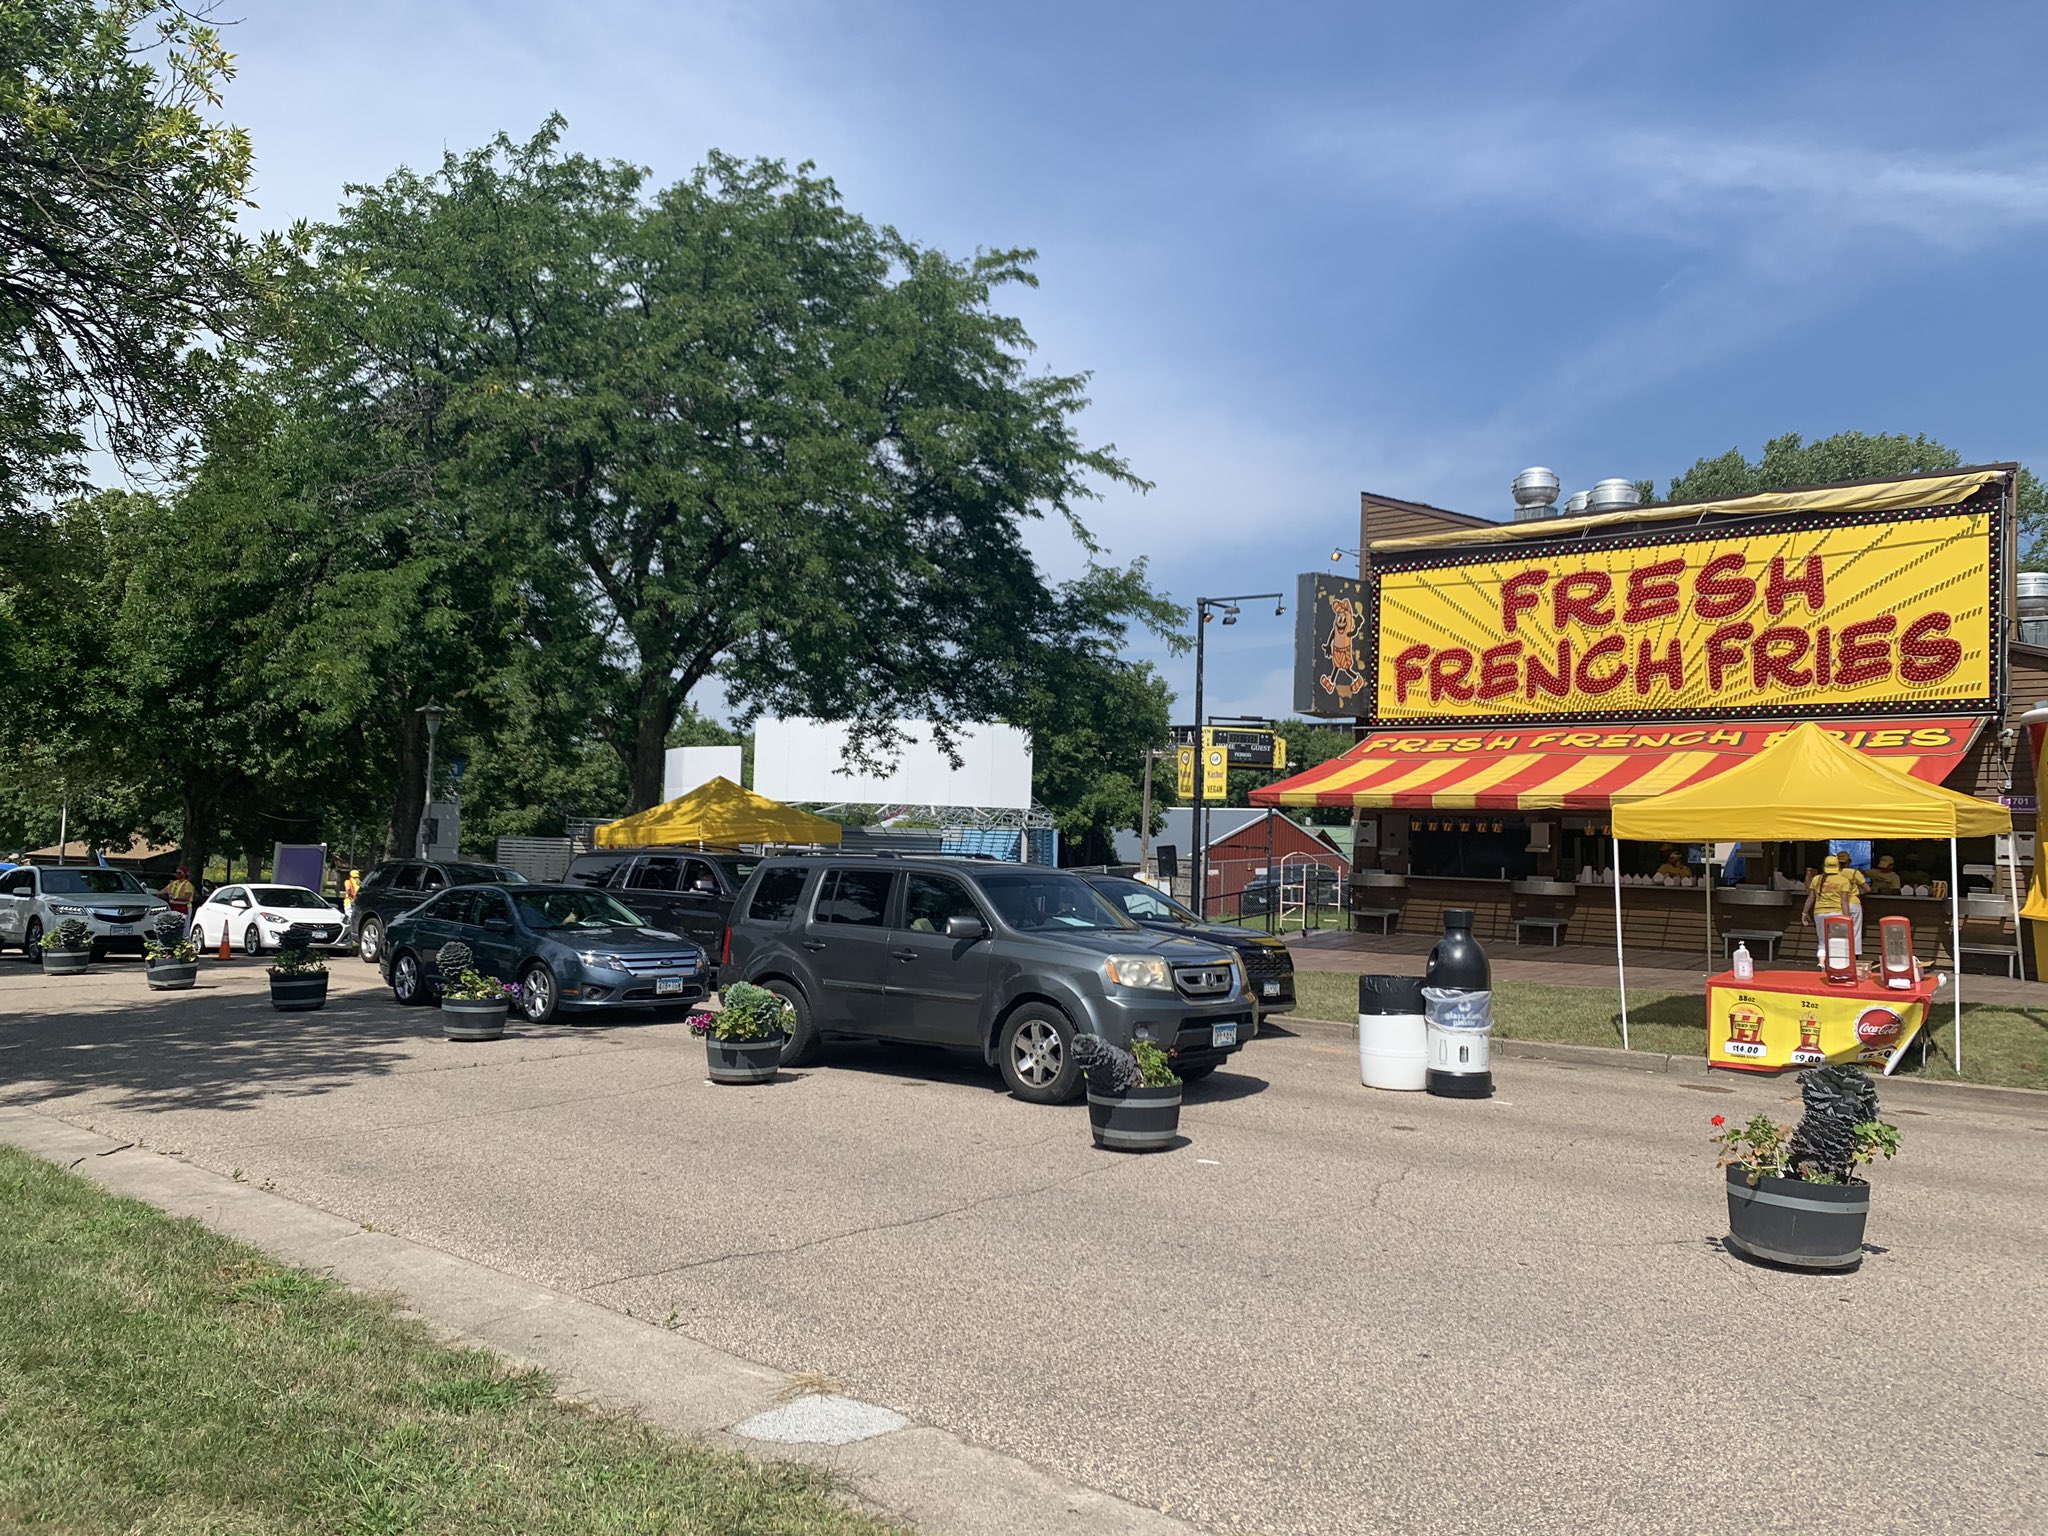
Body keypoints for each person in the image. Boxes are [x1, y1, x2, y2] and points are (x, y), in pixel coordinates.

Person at [1804, 853, 1869, 962]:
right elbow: (1867, 889)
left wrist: (1804, 913)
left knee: (1824, 941)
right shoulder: (1852, 874)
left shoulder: (1820, 878)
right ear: (1849, 861)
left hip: (1822, 911)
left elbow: (1811, 897)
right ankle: (1853, 957)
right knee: (1852, 932)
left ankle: (1824, 963)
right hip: (1847, 905)